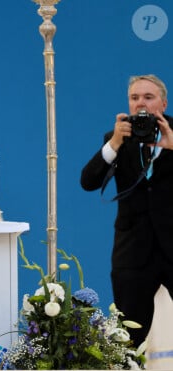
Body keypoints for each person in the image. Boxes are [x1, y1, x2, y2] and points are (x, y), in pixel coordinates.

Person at [80, 74, 173, 346]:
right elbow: (88, 181)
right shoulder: (118, 137)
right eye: (135, 98)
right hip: (133, 252)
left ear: (163, 103)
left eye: (148, 97)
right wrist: (114, 144)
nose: (141, 104)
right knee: (128, 338)